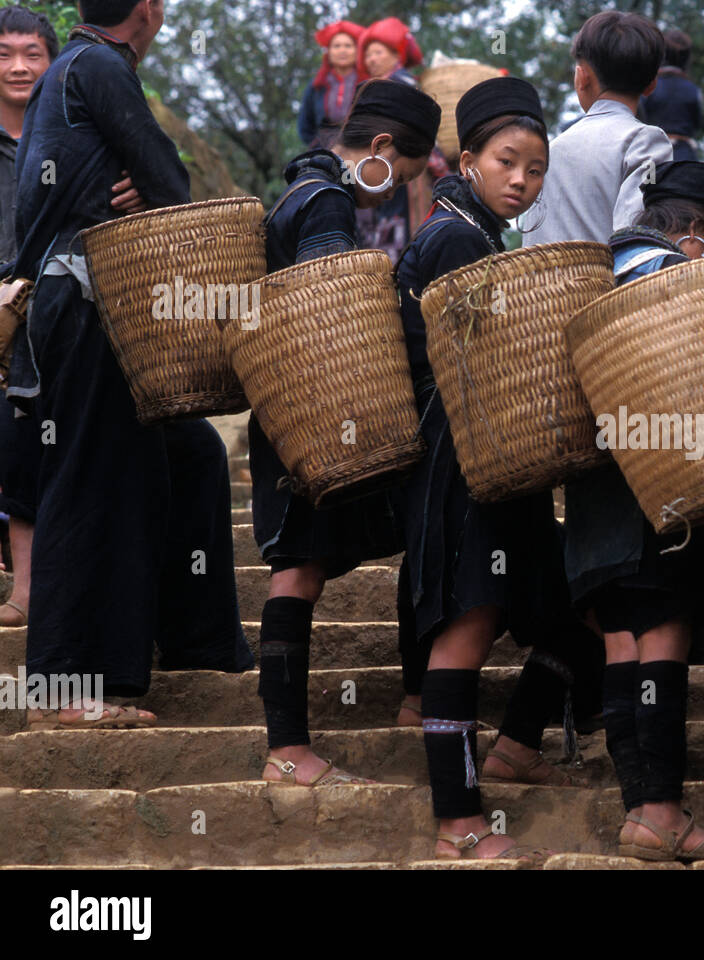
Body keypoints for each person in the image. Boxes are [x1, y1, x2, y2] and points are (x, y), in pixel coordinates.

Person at [12, 0, 250, 728]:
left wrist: (143, 183)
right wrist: (151, 181)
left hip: (90, 302)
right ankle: (59, 686)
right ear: (148, 10)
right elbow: (170, 183)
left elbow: (149, 179)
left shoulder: (74, 71)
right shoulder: (100, 67)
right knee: (88, 474)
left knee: (194, 455)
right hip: (85, 302)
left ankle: (197, 639)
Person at [394, 76, 600, 860]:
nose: (523, 179)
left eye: (537, 168)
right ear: (468, 157)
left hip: (492, 455)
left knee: (574, 607)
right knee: (467, 631)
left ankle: (516, 742)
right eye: (507, 161)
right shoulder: (453, 238)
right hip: (462, 462)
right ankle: (457, 821)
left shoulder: (475, 233)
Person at [254, 78, 439, 787]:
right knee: (298, 569)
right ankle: (287, 748)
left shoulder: (303, 186)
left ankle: (296, 743)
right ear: (383, 149)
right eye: (406, 177)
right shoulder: (329, 198)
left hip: (294, 406)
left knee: (304, 562)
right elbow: (327, 299)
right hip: (315, 407)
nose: (396, 193)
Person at [564, 160, 704, 861]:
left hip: (594, 500)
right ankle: (664, 809)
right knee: (664, 636)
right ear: (697, 236)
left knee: (621, 645)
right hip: (659, 487)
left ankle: (640, 809)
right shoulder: (674, 275)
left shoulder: (593, 271)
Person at [523, 10, 672, 247]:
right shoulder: (645, 140)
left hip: (541, 282)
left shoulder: (550, 149)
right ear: (651, 86)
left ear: (581, 78)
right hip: (605, 282)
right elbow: (635, 235)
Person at [0, 5, 56, 630]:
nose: (18, 66)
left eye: (32, 54)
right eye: (4, 54)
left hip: (58, 310)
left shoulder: (67, 133)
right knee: (15, 445)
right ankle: (25, 591)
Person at [353, 17, 427, 262]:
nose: (371, 59)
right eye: (368, 54)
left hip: (398, 167)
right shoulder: (376, 85)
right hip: (377, 165)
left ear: (396, 54)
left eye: (378, 52)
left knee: (396, 223)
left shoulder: (403, 83)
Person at [297, 19, 362, 149]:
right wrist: (318, 146)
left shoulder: (367, 82)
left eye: (348, 46)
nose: (342, 50)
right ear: (329, 53)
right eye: (337, 46)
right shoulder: (317, 85)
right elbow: (305, 124)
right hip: (324, 150)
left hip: (360, 148)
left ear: (357, 51)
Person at [639, 29, 703, 162]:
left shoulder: (648, 87)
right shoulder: (694, 90)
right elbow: (698, 123)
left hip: (653, 156)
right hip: (686, 158)